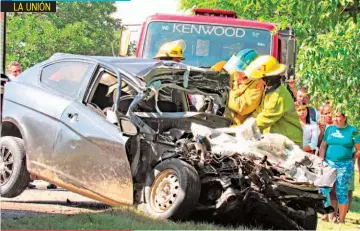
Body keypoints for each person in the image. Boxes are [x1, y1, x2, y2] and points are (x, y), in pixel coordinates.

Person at [244, 55, 303, 147]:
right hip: (279, 139)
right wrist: (246, 122)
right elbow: (259, 111)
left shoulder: (278, 96)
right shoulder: (269, 91)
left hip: (289, 142)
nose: (258, 82)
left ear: (268, 78)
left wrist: (244, 130)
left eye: (260, 79)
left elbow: (264, 119)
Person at [319, 109, 360, 223]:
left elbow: (359, 149)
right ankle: (326, 214)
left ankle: (341, 220)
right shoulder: (329, 129)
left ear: (345, 117)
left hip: (344, 165)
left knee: (341, 191)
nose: (335, 119)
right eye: (334, 116)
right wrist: (321, 159)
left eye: (338, 116)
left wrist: (351, 159)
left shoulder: (353, 131)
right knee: (324, 189)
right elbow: (323, 145)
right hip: (329, 163)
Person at [222, 49, 264, 126]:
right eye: (237, 70)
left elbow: (242, 107)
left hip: (239, 128)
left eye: (241, 71)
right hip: (224, 121)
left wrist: (227, 93)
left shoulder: (257, 85)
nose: (238, 74)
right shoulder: (232, 73)